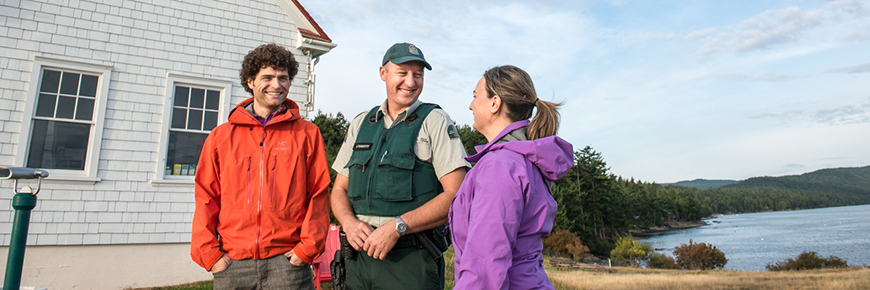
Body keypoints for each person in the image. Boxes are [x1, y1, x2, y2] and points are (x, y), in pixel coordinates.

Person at [190, 43, 331, 290]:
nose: (276, 85)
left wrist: (306, 250)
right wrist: (211, 256)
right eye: (267, 77)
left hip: (288, 264)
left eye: (283, 78)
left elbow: (318, 194)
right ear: (250, 81)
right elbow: (206, 196)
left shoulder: (308, 134)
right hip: (233, 264)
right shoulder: (220, 137)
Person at [330, 42, 469, 290]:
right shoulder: (362, 123)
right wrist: (348, 222)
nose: (411, 82)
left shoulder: (435, 121)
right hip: (358, 262)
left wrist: (398, 226)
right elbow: (339, 189)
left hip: (409, 263)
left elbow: (457, 194)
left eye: (418, 74)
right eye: (403, 73)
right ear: (383, 73)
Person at [449, 65, 573, 289]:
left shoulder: (500, 167)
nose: (470, 105)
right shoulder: (522, 159)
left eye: (476, 96)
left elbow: (486, 265)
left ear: (495, 103)